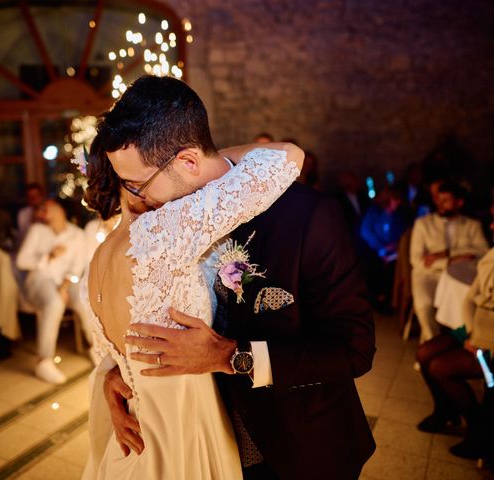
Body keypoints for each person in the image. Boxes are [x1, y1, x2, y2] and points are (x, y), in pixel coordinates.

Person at [94, 76, 376, 479]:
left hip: (297, 446)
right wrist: (115, 375)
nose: (136, 199)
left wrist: (230, 356)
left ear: (188, 161)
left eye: (139, 184)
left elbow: (354, 348)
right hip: (206, 446)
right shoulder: (162, 224)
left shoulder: (307, 214)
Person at [416, 205, 494, 458]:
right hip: (476, 328)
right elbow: (470, 299)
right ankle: (445, 410)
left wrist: (480, 340)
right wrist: (470, 332)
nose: (490, 226)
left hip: (491, 340)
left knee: (441, 367)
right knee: (424, 353)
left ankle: (479, 432)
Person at [16, 198, 88, 384]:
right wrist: (48, 256)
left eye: (44, 208)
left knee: (83, 298)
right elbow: (21, 262)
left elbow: (78, 267)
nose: (40, 212)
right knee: (54, 303)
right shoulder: (37, 231)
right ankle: (44, 361)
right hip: (39, 279)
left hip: (66, 279)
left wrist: (64, 286)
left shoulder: (77, 235)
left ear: (59, 210)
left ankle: (96, 348)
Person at [410, 181, 489, 342]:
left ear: (459, 202)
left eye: (445, 200)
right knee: (424, 307)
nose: (440, 204)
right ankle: (432, 346)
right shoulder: (423, 224)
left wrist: (447, 254)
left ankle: (458, 347)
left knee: (468, 306)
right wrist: (452, 260)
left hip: (461, 277)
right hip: (428, 276)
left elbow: (484, 253)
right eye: (438, 199)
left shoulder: (472, 225)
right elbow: (417, 260)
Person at [360, 187, 410, 309]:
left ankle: (392, 299)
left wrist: (395, 246)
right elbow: (365, 231)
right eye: (395, 200)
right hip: (375, 253)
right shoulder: (374, 212)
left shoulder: (398, 215)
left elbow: (401, 233)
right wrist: (381, 249)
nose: (397, 203)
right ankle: (379, 299)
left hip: (393, 252)